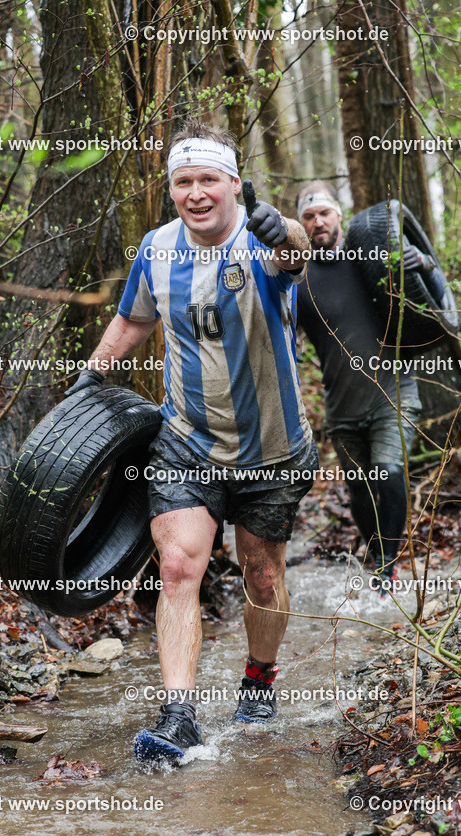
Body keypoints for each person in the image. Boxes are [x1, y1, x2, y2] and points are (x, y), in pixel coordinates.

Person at [68, 118, 318, 760]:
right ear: (171, 188)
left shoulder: (262, 241)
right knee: (179, 567)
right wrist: (91, 377)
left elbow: (296, 253)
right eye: (184, 181)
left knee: (262, 575)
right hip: (186, 441)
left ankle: (259, 680)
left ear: (234, 183)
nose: (196, 192)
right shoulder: (156, 249)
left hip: (272, 448)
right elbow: (133, 320)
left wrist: (284, 228)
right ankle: (179, 716)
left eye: (209, 179)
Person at [295, 181, 438, 592]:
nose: (318, 222)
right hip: (341, 405)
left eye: (324, 213)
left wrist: (423, 263)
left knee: (389, 471)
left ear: (339, 215)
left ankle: (387, 570)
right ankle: (377, 556)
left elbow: (429, 294)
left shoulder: (371, 258)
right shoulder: (299, 280)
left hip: (392, 393)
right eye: (309, 217)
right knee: (359, 488)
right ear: (301, 225)